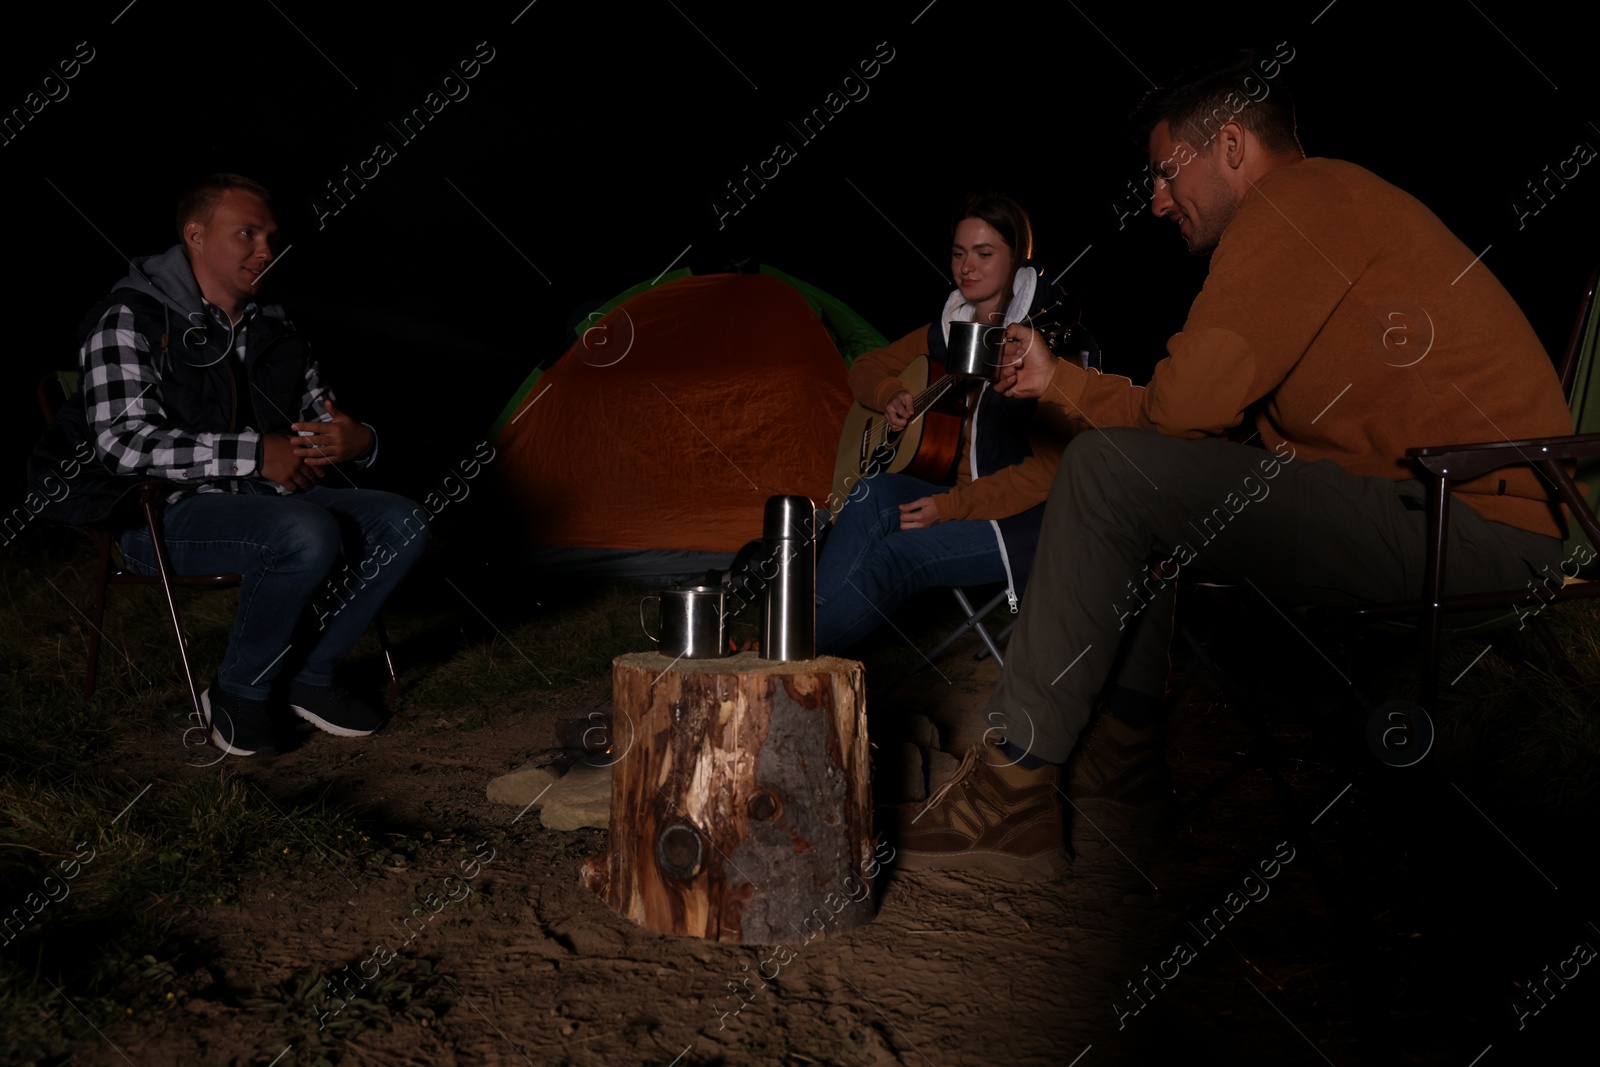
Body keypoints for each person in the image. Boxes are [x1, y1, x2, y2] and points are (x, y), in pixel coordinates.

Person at [896, 53, 1573, 879]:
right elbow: (1191, 434)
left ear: (1230, 144)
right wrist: (1062, 384)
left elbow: (1184, 407)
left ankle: (1011, 789)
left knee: (1113, 471)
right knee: (1144, 476)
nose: (1154, 200)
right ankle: (1121, 756)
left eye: (1163, 172)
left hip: (1466, 529)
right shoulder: (1330, 207)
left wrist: (1068, 385)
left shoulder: (1297, 204)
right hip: (1446, 515)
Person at [28, 173, 428, 758]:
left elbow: (320, 417)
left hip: (265, 501)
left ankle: (309, 676)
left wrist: (357, 439)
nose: (266, 249)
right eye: (247, 233)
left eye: (270, 235)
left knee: (404, 522)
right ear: (196, 235)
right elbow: (121, 443)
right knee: (304, 530)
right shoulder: (129, 318)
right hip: (156, 518)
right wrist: (256, 453)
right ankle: (241, 691)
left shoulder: (276, 326)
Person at [815, 194, 1096, 654]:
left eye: (984, 254)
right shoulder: (954, 325)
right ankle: (811, 636)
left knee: (898, 554)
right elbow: (866, 366)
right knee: (869, 490)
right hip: (964, 497)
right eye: (959, 252)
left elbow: (1049, 475)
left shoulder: (1055, 339)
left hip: (1027, 520)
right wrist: (891, 395)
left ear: (1019, 257)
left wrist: (950, 508)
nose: (967, 267)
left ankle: (789, 657)